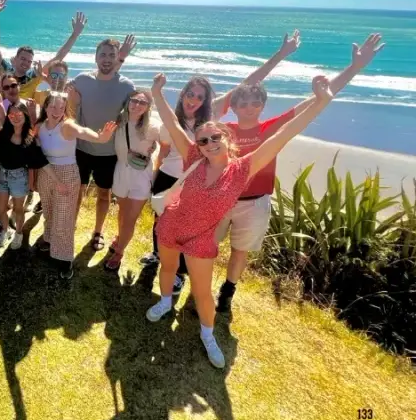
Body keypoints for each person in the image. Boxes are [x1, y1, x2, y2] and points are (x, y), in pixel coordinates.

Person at [145, 70, 341, 368]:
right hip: (171, 224)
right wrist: (158, 93)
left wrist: (321, 101)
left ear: (227, 138)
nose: (209, 143)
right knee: (168, 268)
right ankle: (164, 302)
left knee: (202, 292)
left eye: (215, 137)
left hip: (201, 238)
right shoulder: (193, 157)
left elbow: (284, 134)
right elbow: (171, 122)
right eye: (203, 140)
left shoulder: (242, 169)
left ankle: (208, 334)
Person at [214, 33, 386, 313]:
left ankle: (227, 293)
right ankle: (195, 283)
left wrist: (354, 68)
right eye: (242, 104)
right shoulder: (223, 131)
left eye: (255, 103)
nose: (249, 108)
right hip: (222, 198)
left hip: (255, 203)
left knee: (240, 250)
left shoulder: (270, 127)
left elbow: (315, 101)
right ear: (233, 108)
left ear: (262, 106)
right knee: (206, 244)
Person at [140, 31, 304, 293]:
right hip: (168, 176)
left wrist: (280, 54)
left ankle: (180, 273)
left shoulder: (212, 114)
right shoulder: (171, 117)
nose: (194, 100)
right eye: (190, 94)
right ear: (182, 95)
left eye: (199, 97)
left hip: (194, 181)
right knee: (162, 222)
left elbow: (248, 83)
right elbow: (165, 145)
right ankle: (159, 255)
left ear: (206, 100)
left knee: (189, 227)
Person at [35, 90, 117, 279]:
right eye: (53, 106)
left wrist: (100, 138)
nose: (57, 111)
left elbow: (83, 131)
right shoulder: (40, 126)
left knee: (64, 218)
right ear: (45, 107)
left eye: (61, 107)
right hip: (45, 173)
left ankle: (65, 259)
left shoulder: (67, 125)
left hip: (66, 175)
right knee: (49, 210)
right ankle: (50, 240)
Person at [66, 36, 138, 252]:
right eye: (103, 55)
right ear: (95, 57)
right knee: (76, 192)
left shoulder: (127, 86)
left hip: (109, 152)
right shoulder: (82, 80)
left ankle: (98, 232)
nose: (107, 59)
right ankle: (70, 227)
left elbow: (134, 117)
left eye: (111, 55)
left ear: (118, 58)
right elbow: (68, 103)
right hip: (81, 148)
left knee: (104, 194)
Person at [104, 90, 161, 272]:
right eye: (134, 100)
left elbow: (167, 145)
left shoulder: (153, 126)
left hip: (141, 176)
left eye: (142, 103)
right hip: (121, 171)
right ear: (128, 102)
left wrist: (154, 150)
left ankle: (119, 253)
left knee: (130, 218)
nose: (137, 105)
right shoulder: (119, 121)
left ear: (148, 107)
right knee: (122, 212)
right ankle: (120, 237)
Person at [0, 0, 87, 100]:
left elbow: (59, 57)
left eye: (29, 61)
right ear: (16, 58)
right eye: (23, 59)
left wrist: (75, 34)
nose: (26, 63)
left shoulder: (34, 76)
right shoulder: (6, 71)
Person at [0, 100, 35, 250]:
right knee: (0, 210)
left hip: (20, 177)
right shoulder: (4, 132)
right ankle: (6, 230)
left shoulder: (30, 137)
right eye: (12, 114)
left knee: (18, 210)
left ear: (25, 115)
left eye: (19, 114)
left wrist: (31, 184)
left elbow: (32, 164)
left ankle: (18, 233)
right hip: (3, 175)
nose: (15, 117)